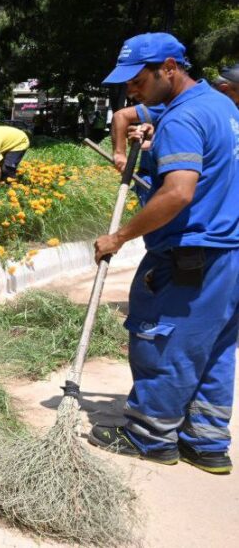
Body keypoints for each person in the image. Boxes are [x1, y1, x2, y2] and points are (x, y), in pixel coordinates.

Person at [90, 32, 239, 475]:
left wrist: (119, 238)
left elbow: (177, 194)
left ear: (169, 68)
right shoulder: (222, 107)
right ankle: (207, 443)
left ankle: (150, 436)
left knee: (164, 341)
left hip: (190, 254)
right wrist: (156, 145)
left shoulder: (182, 119)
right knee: (214, 348)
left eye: (137, 81)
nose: (131, 91)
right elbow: (211, 168)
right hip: (229, 251)